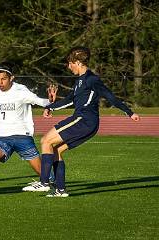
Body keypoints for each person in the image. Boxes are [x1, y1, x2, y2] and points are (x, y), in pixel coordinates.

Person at [33, 46, 140, 197]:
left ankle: (43, 183)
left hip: (84, 120)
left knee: (45, 141)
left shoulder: (92, 79)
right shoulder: (80, 81)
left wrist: (129, 112)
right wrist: (51, 107)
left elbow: (110, 97)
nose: (68, 67)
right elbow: (70, 100)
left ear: (77, 62)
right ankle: (61, 190)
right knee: (56, 150)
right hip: (85, 122)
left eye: (69, 63)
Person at [0, 62, 57, 192]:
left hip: (22, 136)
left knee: (42, 172)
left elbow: (39, 101)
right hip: (3, 136)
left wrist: (50, 101)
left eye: (4, 79)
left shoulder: (21, 91)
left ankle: (55, 183)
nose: (0, 82)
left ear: (11, 78)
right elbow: (3, 110)